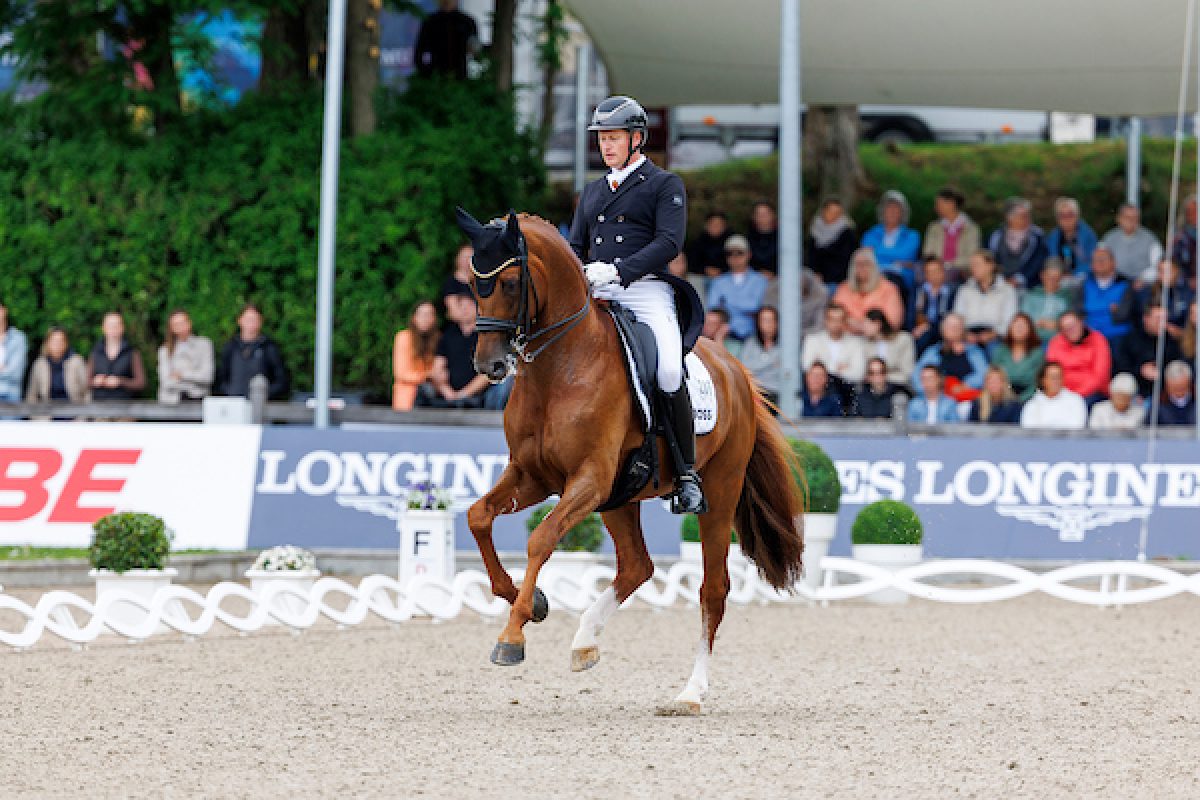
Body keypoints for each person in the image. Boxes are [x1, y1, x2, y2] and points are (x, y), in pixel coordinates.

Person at [568, 94, 708, 514]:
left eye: (613, 138)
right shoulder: (593, 191)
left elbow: (669, 242)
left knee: (667, 369)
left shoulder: (664, 184)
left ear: (636, 139)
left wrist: (618, 270)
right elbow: (575, 244)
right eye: (602, 139)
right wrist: (583, 272)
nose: (606, 146)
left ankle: (686, 475)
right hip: (598, 291)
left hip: (644, 290)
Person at [424, 290, 507, 410]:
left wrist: (464, 394)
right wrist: (447, 392)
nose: (464, 309)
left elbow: (490, 373)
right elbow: (438, 368)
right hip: (448, 394)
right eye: (460, 306)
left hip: (481, 396)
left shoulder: (487, 337)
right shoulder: (448, 335)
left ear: (478, 309)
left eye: (468, 305)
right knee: (425, 389)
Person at [216, 304, 289, 400]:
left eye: (254, 320)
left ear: (260, 322)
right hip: (234, 403)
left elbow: (281, 380)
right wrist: (230, 392)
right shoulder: (230, 347)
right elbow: (221, 378)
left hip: (262, 404)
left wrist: (265, 395)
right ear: (240, 320)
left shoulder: (269, 347)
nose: (251, 323)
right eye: (248, 319)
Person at [1114, 302, 1184, 399]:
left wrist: (1162, 372)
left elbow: (1176, 364)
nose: (1162, 324)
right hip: (1136, 388)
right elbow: (1121, 366)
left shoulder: (1170, 341)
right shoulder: (1131, 339)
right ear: (1146, 319)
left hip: (1164, 391)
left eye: (1165, 320)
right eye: (1158, 319)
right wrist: (1140, 370)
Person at [706, 233, 769, 340]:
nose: (735, 257)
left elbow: (755, 306)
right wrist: (745, 305)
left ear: (749, 254)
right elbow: (713, 308)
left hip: (752, 336)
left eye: (739, 253)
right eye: (730, 253)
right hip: (724, 336)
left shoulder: (760, 280)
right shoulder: (718, 281)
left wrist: (727, 302)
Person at [953, 250, 1018, 353]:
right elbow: (957, 315)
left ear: (990, 266)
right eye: (972, 265)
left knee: (995, 351)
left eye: (977, 264)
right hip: (967, 335)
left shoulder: (1007, 290)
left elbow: (1010, 320)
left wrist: (992, 334)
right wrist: (965, 334)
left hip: (996, 336)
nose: (973, 268)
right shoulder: (965, 289)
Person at [912, 313, 988, 401]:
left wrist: (965, 385)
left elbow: (984, 374)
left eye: (956, 326)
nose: (953, 329)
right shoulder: (932, 352)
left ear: (963, 330)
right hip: (938, 399)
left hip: (966, 398)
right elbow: (916, 375)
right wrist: (930, 389)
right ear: (942, 329)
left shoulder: (974, 351)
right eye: (949, 325)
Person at [832, 247, 905, 334]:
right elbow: (834, 315)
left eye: (866, 264)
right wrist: (855, 325)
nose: (862, 268)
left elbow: (893, 321)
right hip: (848, 338)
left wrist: (869, 326)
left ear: (874, 266)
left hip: (879, 337)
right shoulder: (843, 288)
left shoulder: (889, 289)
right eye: (858, 264)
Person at [1044, 311, 1111, 405]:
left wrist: (1076, 396)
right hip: (1062, 394)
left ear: (1081, 322)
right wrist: (1063, 394)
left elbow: (1100, 377)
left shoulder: (1098, 340)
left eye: (1073, 326)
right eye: (1066, 328)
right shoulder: (1055, 343)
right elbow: (1052, 372)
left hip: (1092, 393)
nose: (1071, 330)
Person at [1077, 245, 1134, 345]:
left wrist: (1093, 310)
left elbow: (1123, 315)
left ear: (1113, 263)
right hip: (1088, 335)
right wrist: (1109, 309)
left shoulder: (1125, 284)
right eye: (1096, 260)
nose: (1100, 262)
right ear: (1091, 265)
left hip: (1117, 336)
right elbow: (1078, 311)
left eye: (1104, 259)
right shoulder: (1084, 284)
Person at [986, 197, 1046, 288]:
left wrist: (1019, 279)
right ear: (1009, 218)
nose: (1028, 219)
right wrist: (999, 279)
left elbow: (1038, 262)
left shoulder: (1037, 237)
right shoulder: (995, 236)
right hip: (999, 283)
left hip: (1028, 284)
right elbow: (989, 259)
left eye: (1028, 215)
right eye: (1023, 216)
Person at [157, 309, 214, 404]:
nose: (181, 327)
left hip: (198, 400)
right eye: (176, 324)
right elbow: (166, 382)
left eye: (183, 322)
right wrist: (193, 380)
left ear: (189, 323)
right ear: (171, 328)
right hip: (172, 402)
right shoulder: (165, 350)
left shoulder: (204, 345)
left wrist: (181, 375)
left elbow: (207, 377)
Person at [921, 186, 980, 278]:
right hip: (936, 271)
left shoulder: (971, 228)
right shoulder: (934, 227)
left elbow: (971, 256)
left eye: (939, 204)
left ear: (951, 204)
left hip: (961, 271)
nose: (936, 208)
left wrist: (949, 264)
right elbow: (928, 253)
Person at [87, 312, 145, 402]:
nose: (113, 329)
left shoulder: (132, 353)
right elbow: (87, 382)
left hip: (125, 409)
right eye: (110, 326)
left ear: (122, 328)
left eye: (116, 325)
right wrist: (95, 381)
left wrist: (120, 382)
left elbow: (141, 383)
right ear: (103, 328)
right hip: (100, 408)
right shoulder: (95, 353)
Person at [413, 0, 479, 80]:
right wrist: (426, 74)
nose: (447, 1)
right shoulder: (430, 22)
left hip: (460, 76)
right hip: (436, 77)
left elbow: (476, 51)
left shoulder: (467, 22)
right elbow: (419, 53)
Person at [393, 300, 440, 411]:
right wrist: (427, 375)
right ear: (414, 317)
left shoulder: (438, 339)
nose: (426, 318)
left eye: (430, 314)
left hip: (432, 399)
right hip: (408, 401)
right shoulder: (404, 337)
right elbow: (401, 374)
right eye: (423, 314)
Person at [802, 304, 867, 384]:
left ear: (845, 321)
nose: (836, 323)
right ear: (826, 320)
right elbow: (807, 367)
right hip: (819, 391)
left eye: (839, 320)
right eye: (832, 319)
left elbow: (858, 374)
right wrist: (839, 369)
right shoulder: (813, 340)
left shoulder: (856, 343)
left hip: (846, 391)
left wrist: (822, 367)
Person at [1100, 203, 1163, 285]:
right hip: (1114, 283)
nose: (1131, 221)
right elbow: (1100, 261)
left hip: (1141, 284)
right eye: (1127, 217)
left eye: (1134, 218)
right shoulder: (1109, 238)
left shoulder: (1150, 239)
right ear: (1118, 219)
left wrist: (1143, 278)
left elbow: (1158, 265)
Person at [25, 326, 89, 404]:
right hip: (47, 412)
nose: (57, 344)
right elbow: (32, 394)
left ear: (66, 343)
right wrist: (36, 415)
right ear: (47, 343)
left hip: (74, 411)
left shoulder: (76, 361)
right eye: (54, 341)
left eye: (60, 341)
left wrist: (84, 414)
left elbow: (87, 391)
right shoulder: (40, 364)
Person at [861, 190, 920, 274]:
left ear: (903, 213)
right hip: (872, 276)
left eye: (896, 208)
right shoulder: (871, 233)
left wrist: (875, 252)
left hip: (899, 278)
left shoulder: (912, 236)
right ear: (882, 211)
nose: (892, 211)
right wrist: (895, 261)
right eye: (889, 207)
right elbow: (865, 255)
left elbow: (904, 256)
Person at [990, 312, 1044, 400]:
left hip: (1030, 398)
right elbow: (994, 376)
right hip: (1003, 397)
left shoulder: (1037, 353)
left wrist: (1021, 400)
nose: (1019, 328)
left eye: (1023, 326)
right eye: (1016, 325)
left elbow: (1038, 382)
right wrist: (1008, 398)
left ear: (1030, 330)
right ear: (1010, 328)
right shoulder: (1001, 351)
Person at [1020, 361, 1088, 430]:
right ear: (1043, 380)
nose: (1056, 381)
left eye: (1059, 377)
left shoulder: (1076, 400)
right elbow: (1028, 431)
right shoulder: (1032, 404)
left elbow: (1078, 427)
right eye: (1052, 377)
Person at [805, 197, 858, 285]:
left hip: (838, 280)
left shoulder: (847, 233)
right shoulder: (815, 231)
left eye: (837, 213)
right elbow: (810, 257)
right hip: (815, 278)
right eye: (830, 212)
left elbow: (845, 260)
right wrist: (815, 272)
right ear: (823, 211)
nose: (833, 216)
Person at [912, 256, 958, 354]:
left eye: (936, 271)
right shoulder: (919, 291)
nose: (934, 275)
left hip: (940, 330)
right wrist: (915, 329)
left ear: (943, 272)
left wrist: (929, 327)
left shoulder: (951, 293)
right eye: (929, 272)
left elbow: (948, 316)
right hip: (919, 330)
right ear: (925, 274)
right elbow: (910, 315)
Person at [1137, 259, 1194, 337]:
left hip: (1179, 340)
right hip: (1150, 339)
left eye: (1168, 271)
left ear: (1176, 271)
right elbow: (1142, 316)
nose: (1163, 274)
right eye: (1160, 271)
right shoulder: (1148, 292)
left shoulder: (1186, 293)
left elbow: (1188, 320)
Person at [1044, 197, 1097, 280]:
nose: (1067, 219)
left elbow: (1092, 262)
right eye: (1062, 215)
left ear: (1077, 216)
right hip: (1059, 278)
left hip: (1082, 277)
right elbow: (1051, 259)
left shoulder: (1088, 235)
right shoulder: (1053, 236)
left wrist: (1074, 275)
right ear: (1057, 218)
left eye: (1070, 215)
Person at [1020, 259, 1074, 338]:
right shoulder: (1031, 295)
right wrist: (1038, 323)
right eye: (1049, 277)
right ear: (1042, 275)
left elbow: (1072, 322)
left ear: (1061, 278)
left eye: (1056, 278)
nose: (1052, 281)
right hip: (1033, 339)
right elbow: (1023, 321)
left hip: (1059, 339)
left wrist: (1057, 325)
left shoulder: (1067, 297)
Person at [861, 309, 915, 386]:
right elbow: (865, 374)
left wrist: (881, 378)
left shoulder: (903, 339)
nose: (863, 329)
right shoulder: (866, 343)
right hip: (874, 389)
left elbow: (907, 373)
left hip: (899, 386)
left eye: (866, 325)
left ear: (877, 324)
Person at [738, 306, 781, 400]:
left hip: (777, 394)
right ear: (758, 323)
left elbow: (785, 372)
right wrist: (772, 362)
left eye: (771, 320)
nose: (768, 324)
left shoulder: (785, 345)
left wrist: (757, 368)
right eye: (764, 320)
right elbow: (744, 367)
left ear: (777, 323)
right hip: (755, 392)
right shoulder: (750, 342)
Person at [686, 211, 732, 279]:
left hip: (726, 276)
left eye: (719, 224)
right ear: (706, 225)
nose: (715, 227)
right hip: (702, 276)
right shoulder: (697, 243)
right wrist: (705, 270)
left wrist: (721, 271)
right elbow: (691, 264)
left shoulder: (731, 242)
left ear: (725, 226)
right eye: (712, 224)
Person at [0, 301, 28, 404]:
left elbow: (16, 373)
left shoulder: (18, 338)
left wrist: (6, 369)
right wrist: (4, 368)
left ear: (4, 310)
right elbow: (10, 371)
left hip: (11, 394)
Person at [1154, 360, 1197, 425]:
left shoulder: (1197, 402)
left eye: (1182, 388)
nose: (1179, 393)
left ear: (1189, 384)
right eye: (1174, 389)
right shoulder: (1158, 405)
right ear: (1167, 386)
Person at [1170, 194, 1197, 287]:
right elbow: (1174, 261)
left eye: (1195, 211)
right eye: (1189, 211)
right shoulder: (1179, 235)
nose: (1192, 214)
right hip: (1184, 281)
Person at [439, 244, 474, 315]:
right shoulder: (450, 283)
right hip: (457, 325)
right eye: (464, 257)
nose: (467, 261)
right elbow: (454, 312)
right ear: (458, 258)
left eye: (470, 257)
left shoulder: (481, 281)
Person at [746, 201, 778, 273]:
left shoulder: (784, 237)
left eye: (765, 214)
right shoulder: (747, 239)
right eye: (759, 214)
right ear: (753, 217)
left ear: (773, 215)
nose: (762, 217)